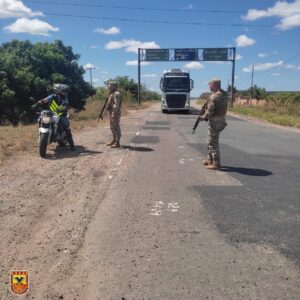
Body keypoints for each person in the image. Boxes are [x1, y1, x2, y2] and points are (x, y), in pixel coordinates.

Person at [199, 78, 228, 170]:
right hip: (221, 120)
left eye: (210, 84)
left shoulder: (214, 96)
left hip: (214, 121)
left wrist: (203, 117)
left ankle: (216, 163)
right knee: (211, 140)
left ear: (214, 85)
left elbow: (210, 111)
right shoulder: (224, 94)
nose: (209, 86)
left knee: (213, 142)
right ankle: (210, 160)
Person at [37, 83, 75, 150]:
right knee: (42, 120)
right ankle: (45, 138)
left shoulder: (65, 97)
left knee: (66, 128)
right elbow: (46, 99)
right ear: (58, 91)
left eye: (64, 91)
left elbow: (66, 103)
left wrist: (64, 107)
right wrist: (39, 102)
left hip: (62, 115)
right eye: (63, 90)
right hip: (52, 114)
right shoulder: (52, 96)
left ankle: (71, 145)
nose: (64, 92)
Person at [102, 81, 122, 148]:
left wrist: (113, 114)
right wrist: (105, 112)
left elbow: (116, 105)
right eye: (109, 86)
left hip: (115, 113)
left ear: (114, 86)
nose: (109, 87)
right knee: (112, 127)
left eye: (110, 86)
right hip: (111, 112)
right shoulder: (111, 94)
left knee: (116, 127)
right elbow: (109, 104)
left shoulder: (117, 94)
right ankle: (114, 139)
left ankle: (117, 142)